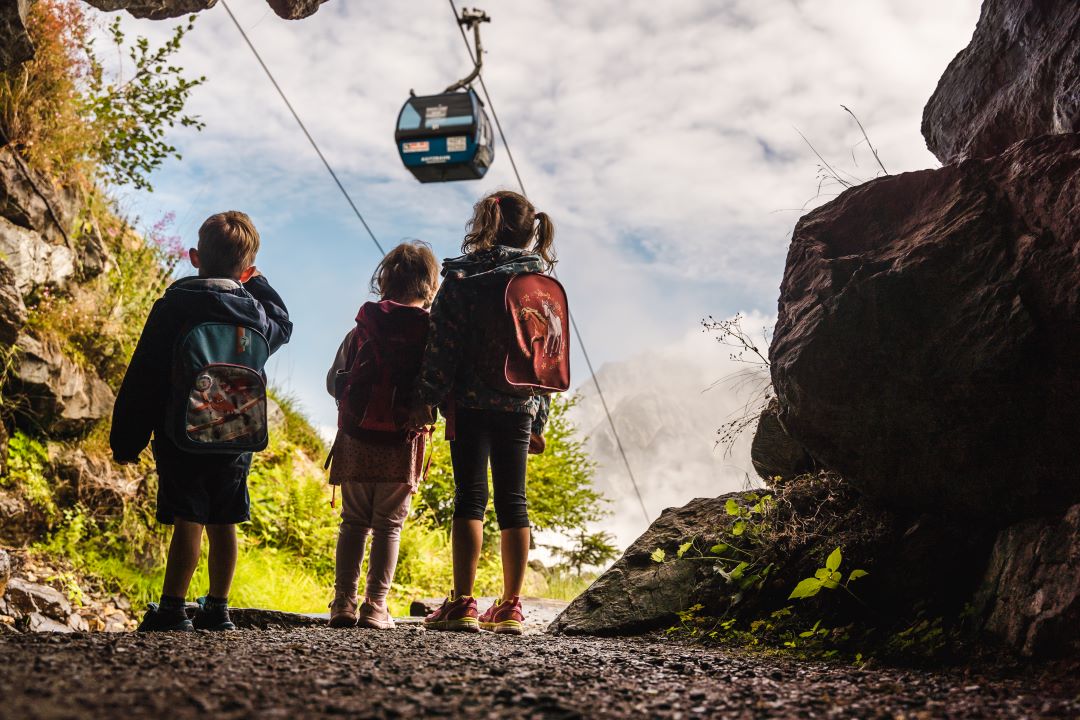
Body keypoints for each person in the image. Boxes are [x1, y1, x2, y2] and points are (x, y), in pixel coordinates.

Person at [110, 211, 292, 632]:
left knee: (188, 515)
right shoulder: (256, 314)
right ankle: (218, 608)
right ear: (247, 271)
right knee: (225, 518)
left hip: (181, 433)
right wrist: (258, 283)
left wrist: (127, 440)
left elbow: (146, 376)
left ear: (194, 257)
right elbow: (284, 322)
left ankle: (173, 608)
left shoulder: (174, 306)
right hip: (236, 434)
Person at [412, 190, 556, 635]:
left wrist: (428, 398)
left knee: (470, 498)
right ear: (531, 229)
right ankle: (511, 606)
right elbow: (546, 358)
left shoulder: (462, 278)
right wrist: (539, 417)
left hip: (469, 401)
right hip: (519, 404)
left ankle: (462, 603)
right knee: (515, 501)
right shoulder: (539, 285)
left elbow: (442, 348)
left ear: (485, 223)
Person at [324, 241, 440, 629]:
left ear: (386, 280)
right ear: (429, 285)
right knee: (389, 524)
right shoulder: (431, 333)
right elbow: (437, 388)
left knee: (353, 521)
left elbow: (333, 383)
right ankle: (375, 606)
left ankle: (343, 602)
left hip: (356, 437)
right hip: (403, 440)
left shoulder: (364, 326)